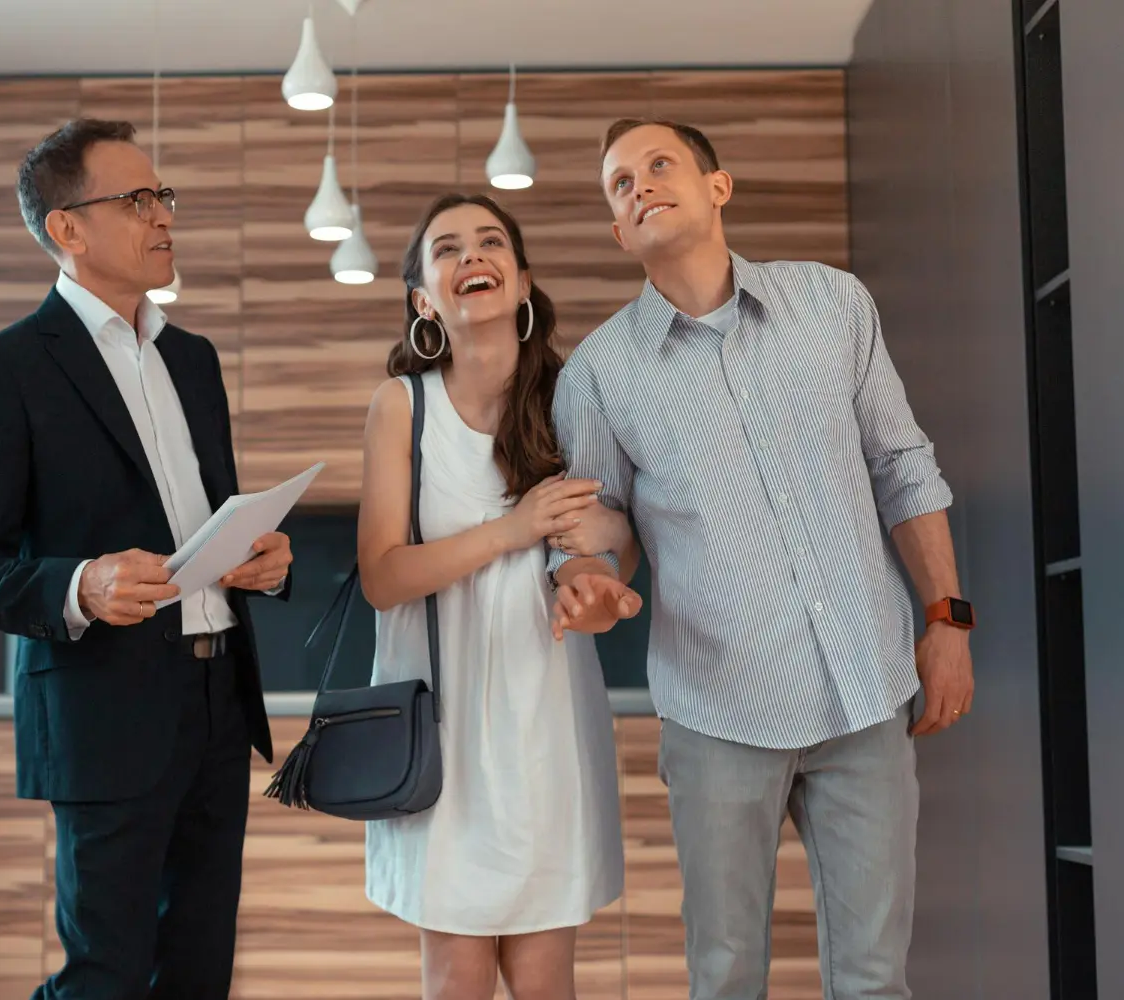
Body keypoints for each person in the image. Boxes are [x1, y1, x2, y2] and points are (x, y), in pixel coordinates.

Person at [548, 118, 977, 1000]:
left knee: (874, 979)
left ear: (719, 186)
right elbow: (600, 525)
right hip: (716, 712)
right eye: (620, 184)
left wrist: (948, 619)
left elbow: (903, 466)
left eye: (658, 165)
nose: (640, 186)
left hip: (866, 691)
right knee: (725, 977)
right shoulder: (596, 375)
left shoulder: (832, 304)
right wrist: (587, 581)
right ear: (619, 230)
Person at [0, 118, 293, 1000]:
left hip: (217, 703)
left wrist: (260, 560)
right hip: (103, 717)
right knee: (106, 976)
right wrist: (80, 584)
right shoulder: (4, 368)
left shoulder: (194, 361)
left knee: (200, 973)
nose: (164, 215)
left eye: (163, 195)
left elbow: (207, 522)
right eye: (137, 200)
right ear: (68, 228)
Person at [356, 192, 633, 1000]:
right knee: (456, 978)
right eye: (446, 249)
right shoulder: (400, 407)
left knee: (546, 981)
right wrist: (512, 530)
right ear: (423, 300)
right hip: (440, 735)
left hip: (545, 722)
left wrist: (599, 587)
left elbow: (603, 538)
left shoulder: (573, 397)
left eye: (489, 243)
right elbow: (383, 577)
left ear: (522, 281)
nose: (471, 256)